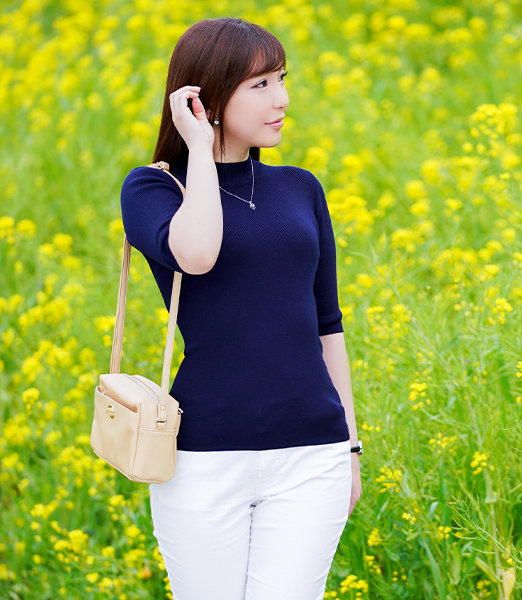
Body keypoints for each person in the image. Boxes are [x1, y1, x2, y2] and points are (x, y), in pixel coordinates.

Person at [119, 17, 363, 600]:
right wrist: (201, 152)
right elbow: (197, 254)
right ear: (205, 97)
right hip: (202, 459)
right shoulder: (152, 190)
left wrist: (350, 447)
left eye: (282, 79)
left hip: (312, 455)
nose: (281, 100)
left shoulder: (301, 188)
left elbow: (327, 327)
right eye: (260, 85)